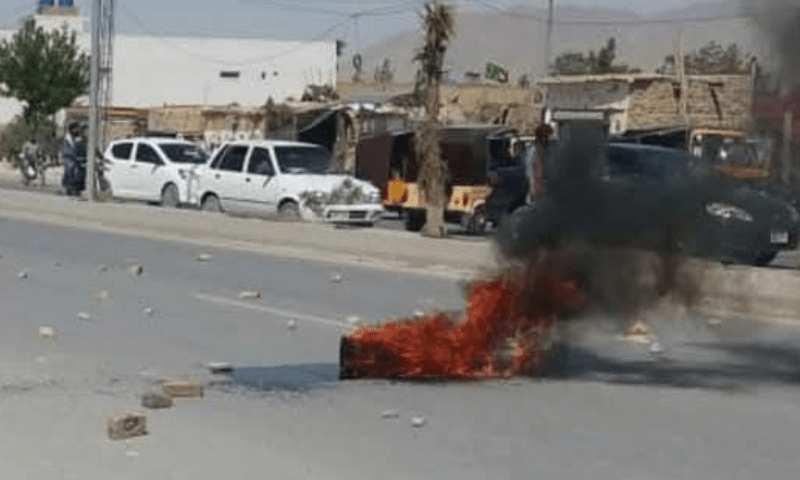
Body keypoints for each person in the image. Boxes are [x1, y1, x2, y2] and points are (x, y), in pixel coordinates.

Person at [61, 122, 80, 194]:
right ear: (72, 129)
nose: (77, 130)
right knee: (70, 172)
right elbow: (67, 151)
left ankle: (76, 189)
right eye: (76, 129)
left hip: (76, 158)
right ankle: (68, 188)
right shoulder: (67, 139)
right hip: (69, 158)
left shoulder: (77, 138)